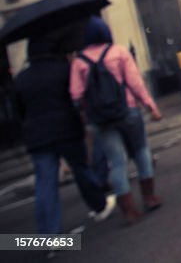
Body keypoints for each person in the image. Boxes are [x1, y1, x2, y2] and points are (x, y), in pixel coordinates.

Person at [14, 26, 116, 234]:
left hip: (37, 136)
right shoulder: (63, 69)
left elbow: (19, 111)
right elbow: (75, 97)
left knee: (45, 184)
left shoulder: (21, 78)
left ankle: (49, 235)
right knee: (82, 171)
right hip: (66, 130)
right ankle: (99, 205)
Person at [70, 17, 162, 225]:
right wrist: (150, 106)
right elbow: (135, 83)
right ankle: (149, 197)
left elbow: (75, 94)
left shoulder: (79, 62)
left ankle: (128, 210)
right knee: (141, 151)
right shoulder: (118, 52)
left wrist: (88, 108)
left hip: (101, 119)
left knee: (116, 161)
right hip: (127, 110)